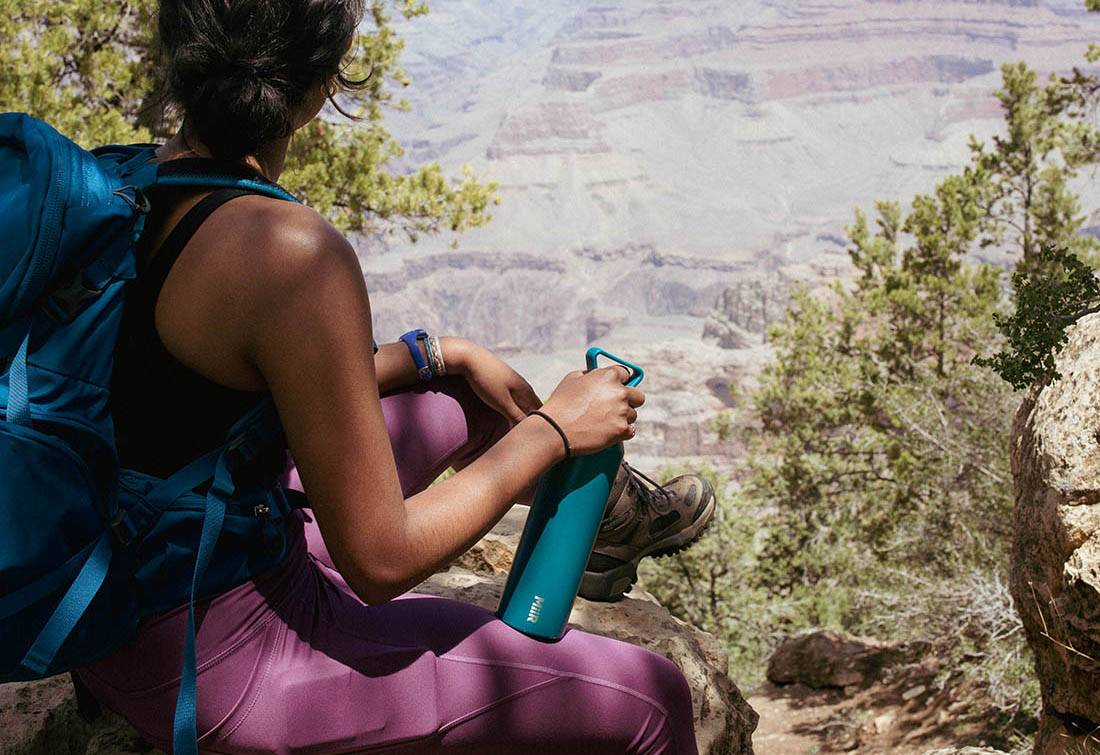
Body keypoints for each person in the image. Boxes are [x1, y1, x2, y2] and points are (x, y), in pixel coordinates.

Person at [76, 0, 716, 751]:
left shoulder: (128, 182)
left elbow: (199, 384)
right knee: (652, 696)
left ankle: (603, 528)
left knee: (461, 400)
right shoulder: (288, 253)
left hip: (133, 573)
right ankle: (593, 512)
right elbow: (381, 559)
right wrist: (550, 433)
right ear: (320, 88)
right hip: (224, 658)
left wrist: (437, 353)